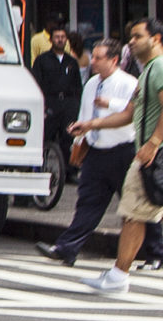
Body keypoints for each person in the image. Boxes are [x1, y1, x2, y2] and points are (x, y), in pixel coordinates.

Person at [44, 36, 140, 267]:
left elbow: (133, 113)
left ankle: (156, 250)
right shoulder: (91, 83)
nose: (93, 61)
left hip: (123, 151)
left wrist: (111, 104)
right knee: (88, 202)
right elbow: (86, 114)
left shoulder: (129, 83)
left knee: (136, 204)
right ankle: (68, 247)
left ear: (114, 60)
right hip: (96, 152)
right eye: (93, 56)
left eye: (99, 58)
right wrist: (79, 134)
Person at [86, 19, 163, 295]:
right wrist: (91, 125)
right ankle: (119, 273)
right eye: (131, 37)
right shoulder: (147, 71)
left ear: (155, 38)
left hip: (152, 155)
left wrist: (153, 143)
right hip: (147, 154)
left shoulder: (159, 68)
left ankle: (119, 276)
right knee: (135, 215)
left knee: (133, 214)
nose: (131, 41)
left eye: (137, 36)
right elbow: (129, 114)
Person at [32, 26, 84, 141]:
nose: (60, 40)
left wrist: (76, 105)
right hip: (50, 104)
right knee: (45, 139)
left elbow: (77, 86)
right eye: (57, 37)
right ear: (51, 40)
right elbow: (36, 83)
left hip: (68, 106)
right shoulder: (42, 60)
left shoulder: (72, 62)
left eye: (63, 37)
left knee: (68, 140)